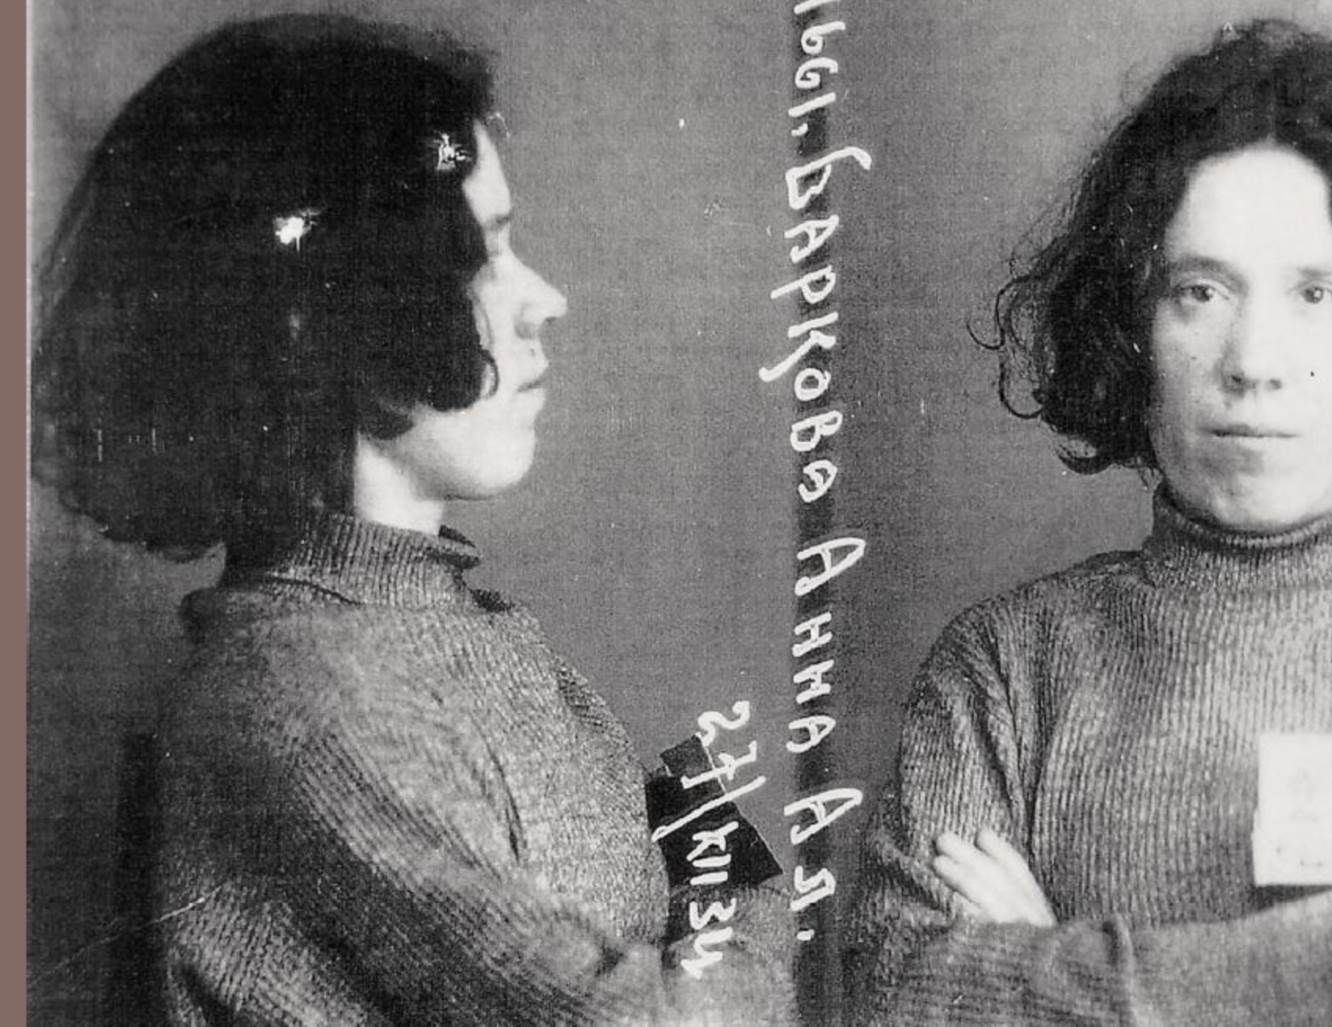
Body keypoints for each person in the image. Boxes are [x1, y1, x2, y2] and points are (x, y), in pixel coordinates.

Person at [32, 15, 792, 1025]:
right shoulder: (309, 695)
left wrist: (709, 896)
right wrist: (756, 907)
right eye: (479, 258)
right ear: (318, 317)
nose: (545, 301)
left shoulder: (441, 635)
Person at [845, 19, 1332, 1025]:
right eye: (1199, 291)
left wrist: (1043, 971)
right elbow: (898, 995)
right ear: (1133, 329)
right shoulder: (1003, 670)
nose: (1254, 360)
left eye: (1314, 292)